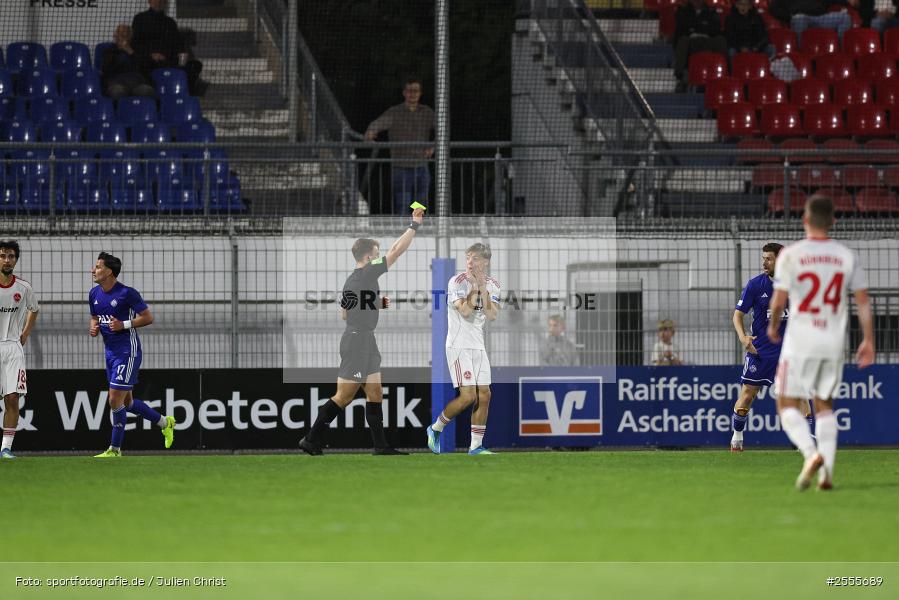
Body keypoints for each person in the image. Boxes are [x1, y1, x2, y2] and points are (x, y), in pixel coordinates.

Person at [767, 194, 875, 491]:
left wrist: (774, 326)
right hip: (832, 340)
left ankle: (810, 453)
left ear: (805, 220)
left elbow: (778, 301)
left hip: (800, 339)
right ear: (833, 221)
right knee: (824, 404)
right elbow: (863, 302)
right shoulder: (845, 255)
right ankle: (826, 473)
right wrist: (868, 340)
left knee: (786, 402)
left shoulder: (791, 254)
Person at [299, 208, 426, 456]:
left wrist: (377, 304)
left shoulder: (354, 280)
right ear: (369, 257)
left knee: (375, 391)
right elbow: (396, 251)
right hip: (357, 340)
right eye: (377, 255)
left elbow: (345, 312)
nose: (381, 258)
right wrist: (415, 225)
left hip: (365, 338)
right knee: (344, 396)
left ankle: (381, 446)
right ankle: (311, 439)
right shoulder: (367, 272)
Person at [90, 252, 175, 458]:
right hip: (109, 352)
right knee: (126, 403)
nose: (93, 270)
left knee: (114, 400)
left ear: (109, 271)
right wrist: (94, 327)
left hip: (128, 351)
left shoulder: (127, 293)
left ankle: (115, 450)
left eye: (98, 267)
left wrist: (123, 325)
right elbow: (94, 317)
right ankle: (165, 422)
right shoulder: (94, 293)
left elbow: (148, 317)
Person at [730, 243, 813, 452]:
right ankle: (737, 437)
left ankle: (809, 444)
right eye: (763, 258)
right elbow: (737, 315)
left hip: (788, 352)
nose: (764, 262)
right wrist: (743, 338)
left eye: (769, 258)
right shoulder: (755, 285)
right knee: (748, 394)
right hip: (760, 352)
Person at [427, 243, 501, 455]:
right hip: (458, 346)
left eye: (475, 258)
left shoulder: (494, 285)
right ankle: (435, 428)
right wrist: (476, 287)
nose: (470, 262)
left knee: (484, 394)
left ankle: (475, 447)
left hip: (478, 346)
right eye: (468, 258)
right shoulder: (456, 282)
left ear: (485, 262)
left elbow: (493, 315)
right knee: (468, 396)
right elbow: (466, 311)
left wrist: (482, 287)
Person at [364, 78, 435, 214]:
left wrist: (433, 147)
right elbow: (379, 123)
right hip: (401, 166)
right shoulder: (395, 112)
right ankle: (403, 231)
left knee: (420, 202)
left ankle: (415, 227)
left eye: (416, 91)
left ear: (420, 93)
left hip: (421, 165)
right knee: (403, 202)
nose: (412, 94)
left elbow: (442, 128)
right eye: (409, 91)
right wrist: (371, 131)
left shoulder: (426, 112)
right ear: (404, 93)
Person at [0, 241, 39, 459]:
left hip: (13, 348)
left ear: (16, 259)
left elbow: (34, 309)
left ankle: (6, 449)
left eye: (11, 256)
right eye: (3, 256)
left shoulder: (24, 288)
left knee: (12, 398)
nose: (7, 260)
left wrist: (24, 334)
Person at [132, 0, 208, 96]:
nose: (159, 2)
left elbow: (178, 45)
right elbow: (136, 44)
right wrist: (151, 55)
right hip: (150, 61)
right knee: (142, 64)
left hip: (168, 61)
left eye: (162, 1)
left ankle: (187, 94)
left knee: (195, 65)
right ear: (150, 1)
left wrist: (182, 58)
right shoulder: (140, 19)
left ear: (165, 3)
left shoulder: (170, 23)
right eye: (156, 0)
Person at [673, 0, 728, 92]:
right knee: (683, 40)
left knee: (720, 40)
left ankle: (726, 75)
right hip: (691, 43)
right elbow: (681, 30)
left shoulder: (711, 12)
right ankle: (680, 78)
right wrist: (697, 30)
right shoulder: (683, 12)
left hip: (707, 42)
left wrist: (698, 30)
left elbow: (715, 29)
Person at [101, 24, 156, 100]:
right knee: (117, 91)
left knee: (146, 91)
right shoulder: (109, 51)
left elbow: (146, 67)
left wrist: (130, 51)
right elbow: (106, 70)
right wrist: (119, 51)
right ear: (115, 36)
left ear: (130, 37)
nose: (121, 38)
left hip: (138, 83)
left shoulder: (139, 50)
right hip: (117, 83)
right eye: (119, 34)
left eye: (124, 35)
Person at [769, 0, 853, 46]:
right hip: (801, 17)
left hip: (821, 17)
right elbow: (773, 8)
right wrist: (789, 17)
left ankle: (841, 48)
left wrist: (848, 1)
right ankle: (801, 53)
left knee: (845, 17)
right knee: (799, 19)